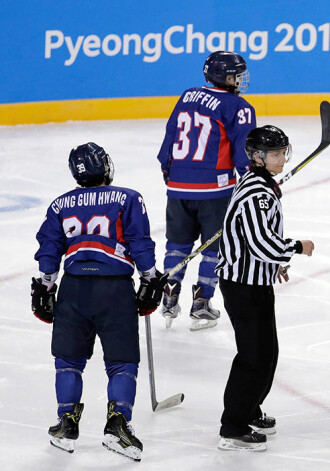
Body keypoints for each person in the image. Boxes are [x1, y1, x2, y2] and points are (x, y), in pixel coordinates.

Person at [32, 143, 166, 462]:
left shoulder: (60, 204)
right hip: (114, 289)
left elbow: (49, 252)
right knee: (122, 363)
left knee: (68, 361)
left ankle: (66, 423)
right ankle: (118, 426)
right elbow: (140, 243)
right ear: (105, 166)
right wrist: (150, 278)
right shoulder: (127, 197)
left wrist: (46, 287)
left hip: (73, 289)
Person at [215, 125, 314, 452]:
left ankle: (249, 409)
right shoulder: (257, 191)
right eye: (275, 153)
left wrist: (277, 263)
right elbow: (260, 243)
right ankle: (233, 426)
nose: (282, 158)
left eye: (283, 151)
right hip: (243, 285)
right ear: (257, 157)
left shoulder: (258, 182)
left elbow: (259, 238)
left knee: (265, 352)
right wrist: (296, 247)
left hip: (254, 280)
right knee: (254, 356)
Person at [156, 50, 256, 331]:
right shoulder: (239, 106)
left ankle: (169, 296)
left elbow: (170, 134)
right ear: (223, 76)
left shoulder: (187, 96)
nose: (239, 79)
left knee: (177, 245)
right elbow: (242, 151)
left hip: (177, 187)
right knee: (214, 248)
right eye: (235, 74)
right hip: (215, 189)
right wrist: (252, 180)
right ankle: (201, 304)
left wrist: (169, 170)